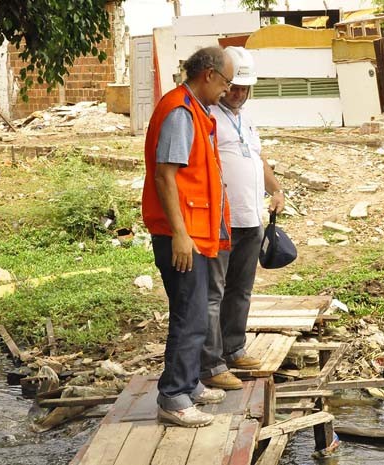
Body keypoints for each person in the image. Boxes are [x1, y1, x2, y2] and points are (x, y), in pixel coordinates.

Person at [142, 46, 234, 427]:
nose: (227, 90)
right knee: (191, 313)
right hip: (182, 235)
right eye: (226, 82)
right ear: (209, 74)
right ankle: (174, 397)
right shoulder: (180, 112)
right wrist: (180, 234)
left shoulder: (197, 111)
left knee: (192, 310)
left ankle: (188, 382)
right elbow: (165, 175)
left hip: (194, 232)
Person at [200, 47, 285, 390]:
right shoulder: (207, 116)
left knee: (241, 290)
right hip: (221, 221)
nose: (237, 93)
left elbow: (257, 159)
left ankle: (234, 349)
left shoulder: (246, 118)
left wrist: (276, 190)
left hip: (251, 218)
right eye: (233, 86)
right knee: (213, 292)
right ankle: (211, 363)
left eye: (243, 88)